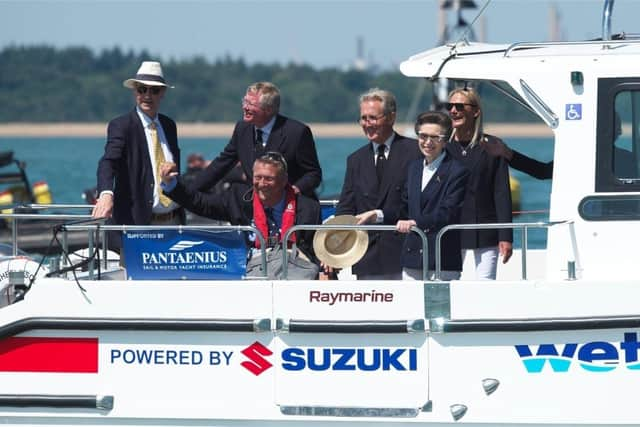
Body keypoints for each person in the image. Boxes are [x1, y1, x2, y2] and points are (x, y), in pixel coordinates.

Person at [160, 152, 320, 261]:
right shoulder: (239, 199)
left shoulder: (308, 208)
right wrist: (171, 185)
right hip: (252, 270)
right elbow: (201, 204)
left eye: (269, 179)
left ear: (284, 180)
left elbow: (315, 252)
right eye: (258, 177)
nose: (263, 184)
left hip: (294, 271)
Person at [93, 61, 184, 250]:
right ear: (135, 91)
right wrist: (106, 193)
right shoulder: (121, 126)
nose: (147, 96)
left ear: (163, 93)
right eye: (142, 89)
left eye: (154, 91)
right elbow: (109, 161)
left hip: (173, 223)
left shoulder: (169, 126)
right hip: (139, 224)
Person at [336, 88, 422, 280]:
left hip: (405, 254)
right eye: (363, 118)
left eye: (373, 118)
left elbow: (418, 203)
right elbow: (346, 206)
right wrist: (334, 246)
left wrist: (379, 215)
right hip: (367, 255)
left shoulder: (415, 152)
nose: (367, 124)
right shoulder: (355, 160)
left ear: (391, 117)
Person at [188, 82, 322, 197]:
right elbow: (221, 164)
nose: (245, 107)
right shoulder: (242, 129)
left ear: (268, 109)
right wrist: (188, 192)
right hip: (255, 208)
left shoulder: (296, 132)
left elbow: (313, 174)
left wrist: (293, 191)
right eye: (244, 101)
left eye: (251, 104)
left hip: (292, 207)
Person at [392, 111, 470, 281]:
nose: (428, 142)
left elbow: (449, 211)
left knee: (440, 307)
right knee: (410, 306)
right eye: (423, 136)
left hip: (442, 257)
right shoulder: (413, 168)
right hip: (412, 256)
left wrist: (416, 222)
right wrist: (377, 215)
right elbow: (404, 207)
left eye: (435, 137)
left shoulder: (458, 171)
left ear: (446, 140)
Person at [445, 87, 513, 280]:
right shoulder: (442, 148)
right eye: (450, 106)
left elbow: (501, 193)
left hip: (486, 230)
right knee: (446, 282)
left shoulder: (493, 146)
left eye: (459, 106)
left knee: (485, 286)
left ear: (475, 111)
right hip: (449, 230)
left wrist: (505, 236)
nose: (453, 111)